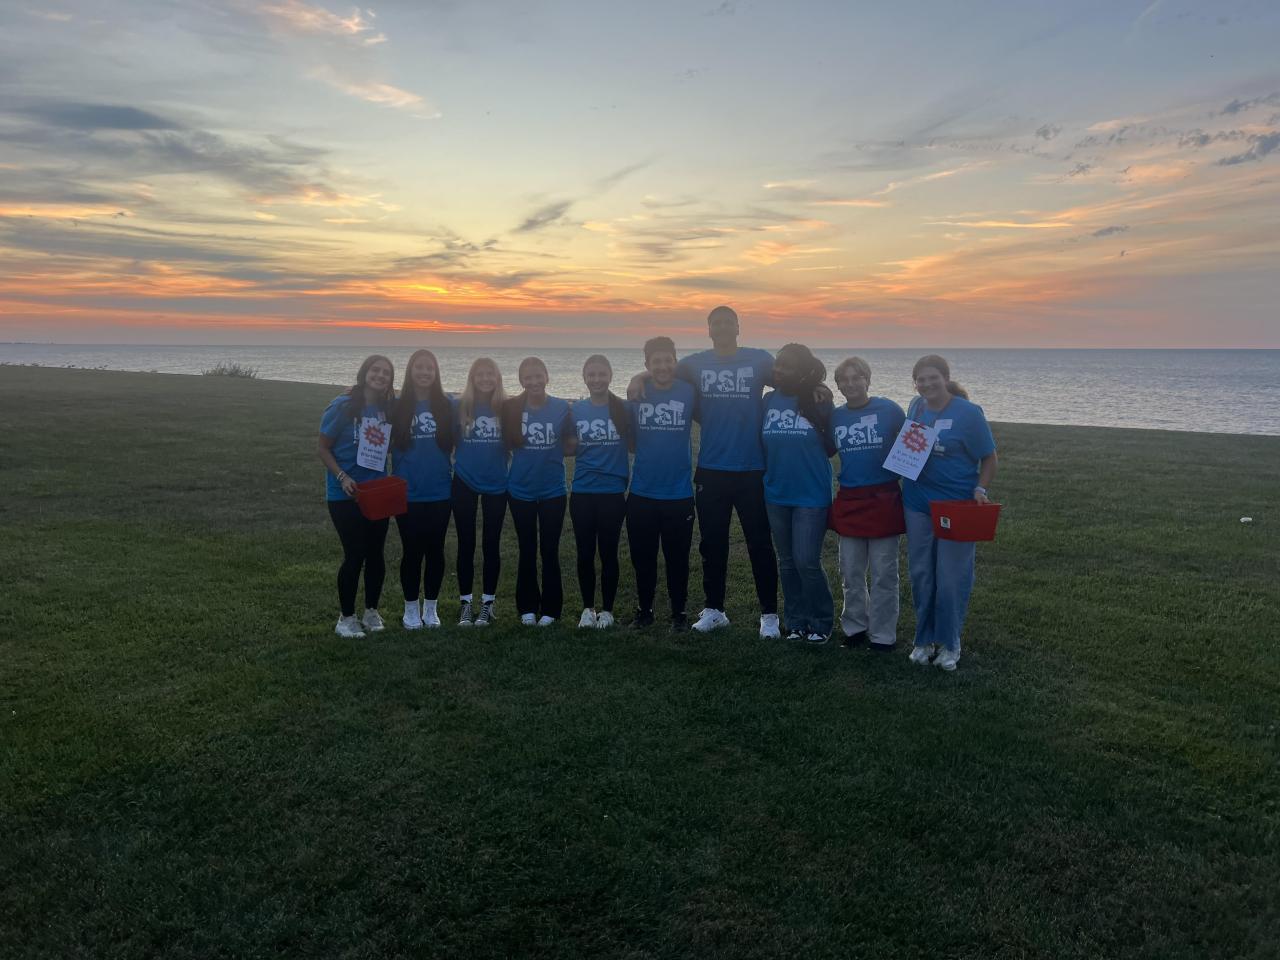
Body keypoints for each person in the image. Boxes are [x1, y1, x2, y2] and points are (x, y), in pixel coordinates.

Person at [630, 305, 780, 639]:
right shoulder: (693, 364)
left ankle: (769, 615)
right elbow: (661, 370)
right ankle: (714, 610)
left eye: (728, 322)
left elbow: (788, 380)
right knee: (712, 544)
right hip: (711, 469)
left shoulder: (759, 360)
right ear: (708, 330)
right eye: (717, 323)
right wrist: (637, 377)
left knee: (759, 543)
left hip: (752, 468)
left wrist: (816, 388)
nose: (723, 328)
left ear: (738, 327)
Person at [902, 354, 998, 672]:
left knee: (950, 577)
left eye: (933, 377)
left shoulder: (968, 413)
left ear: (946, 378)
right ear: (915, 383)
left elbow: (989, 457)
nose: (927, 384)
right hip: (917, 502)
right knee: (921, 574)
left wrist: (980, 488)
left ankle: (950, 643)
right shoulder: (916, 406)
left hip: (955, 506)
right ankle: (924, 640)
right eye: (921, 379)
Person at [829, 356, 906, 651]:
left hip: (883, 498)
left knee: (884, 573)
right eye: (844, 380)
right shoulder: (835, 416)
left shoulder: (889, 409)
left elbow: (914, 440)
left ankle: (883, 635)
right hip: (850, 499)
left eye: (856, 377)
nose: (850, 384)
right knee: (850, 571)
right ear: (838, 386)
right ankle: (855, 627)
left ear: (867, 379)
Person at [761, 343, 837, 644]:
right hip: (776, 493)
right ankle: (795, 622)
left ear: (802, 371)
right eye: (777, 364)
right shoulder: (768, 400)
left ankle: (821, 621)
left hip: (811, 494)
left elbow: (833, 444)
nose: (778, 370)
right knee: (788, 562)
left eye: (787, 366)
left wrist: (820, 389)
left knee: (807, 561)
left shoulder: (819, 400)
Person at [316, 355, 396, 638]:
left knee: (376, 554)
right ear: (365, 372)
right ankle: (346, 617)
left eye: (386, 373)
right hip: (345, 494)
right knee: (355, 554)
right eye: (376, 370)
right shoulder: (343, 405)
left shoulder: (388, 408)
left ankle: (371, 611)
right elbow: (323, 447)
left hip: (377, 492)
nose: (380, 375)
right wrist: (342, 477)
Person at [627, 336, 697, 630]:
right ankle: (644, 611)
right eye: (656, 361)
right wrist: (637, 379)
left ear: (675, 362)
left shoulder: (690, 391)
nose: (663, 366)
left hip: (679, 493)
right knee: (643, 558)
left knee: (677, 558)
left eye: (668, 360)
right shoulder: (637, 394)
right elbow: (629, 439)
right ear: (647, 365)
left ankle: (679, 613)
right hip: (642, 492)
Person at [503, 357, 573, 627]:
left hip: (552, 490)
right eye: (527, 377)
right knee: (527, 548)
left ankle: (551, 610)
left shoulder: (562, 408)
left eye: (538, 376)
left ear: (547, 377)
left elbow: (571, 443)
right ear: (521, 381)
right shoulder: (511, 407)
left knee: (550, 550)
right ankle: (527, 607)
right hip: (520, 489)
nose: (533, 381)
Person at [389, 349, 454, 630]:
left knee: (435, 550)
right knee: (412, 550)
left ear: (436, 372)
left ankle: (431, 608)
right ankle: (410, 609)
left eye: (430, 368)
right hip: (406, 491)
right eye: (419, 367)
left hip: (440, 490)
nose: (425, 372)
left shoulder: (448, 405)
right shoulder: (396, 405)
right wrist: (352, 390)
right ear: (410, 371)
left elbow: (483, 402)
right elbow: (368, 401)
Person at [568, 355, 632, 630]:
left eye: (601, 374)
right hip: (582, 491)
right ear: (584, 378)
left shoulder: (623, 408)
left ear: (610, 376)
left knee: (608, 553)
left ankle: (607, 610)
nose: (596, 379)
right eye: (591, 375)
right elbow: (567, 444)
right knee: (584, 553)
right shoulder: (576, 410)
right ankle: (588, 609)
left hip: (612, 493)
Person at [451, 357, 509, 627]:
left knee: (491, 544)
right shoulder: (459, 405)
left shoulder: (507, 407)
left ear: (498, 378)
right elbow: (418, 398)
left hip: (497, 483)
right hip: (464, 480)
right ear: (472, 378)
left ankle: (487, 604)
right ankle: (465, 604)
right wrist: (356, 389)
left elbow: (542, 403)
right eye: (480, 374)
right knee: (466, 543)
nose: (485, 379)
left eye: (490, 374)